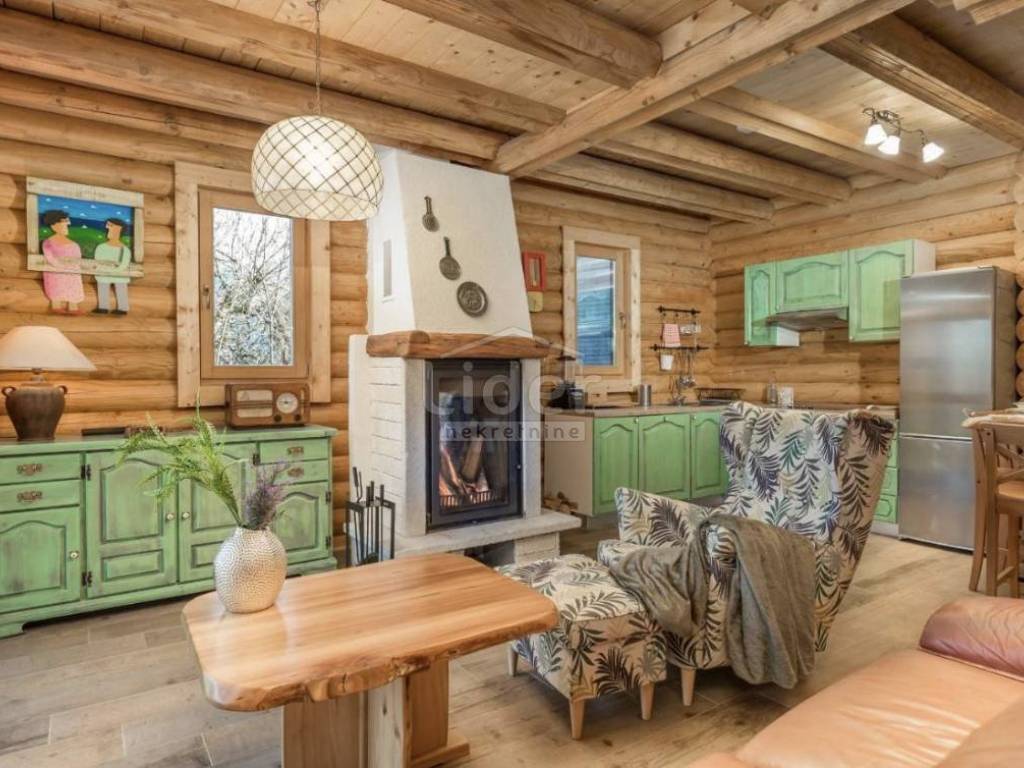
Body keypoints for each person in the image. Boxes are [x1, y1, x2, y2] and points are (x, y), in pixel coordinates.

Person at [40, 210, 84, 314]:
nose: (67, 225)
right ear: (53, 226)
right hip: (56, 272)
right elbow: (49, 257)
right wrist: (61, 266)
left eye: (67, 223)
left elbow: (78, 258)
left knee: (74, 284)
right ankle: (56, 306)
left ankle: (73, 306)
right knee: (56, 286)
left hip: (71, 272)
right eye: (64, 223)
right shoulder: (48, 242)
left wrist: (72, 267)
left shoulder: (74, 244)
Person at [93, 217, 132, 314]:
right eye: (108, 226)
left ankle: (123, 308)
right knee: (102, 285)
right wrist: (103, 271)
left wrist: (112, 271)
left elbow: (124, 264)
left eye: (111, 226)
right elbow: (98, 261)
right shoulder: (101, 247)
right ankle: (103, 306)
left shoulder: (125, 250)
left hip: (119, 275)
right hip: (104, 274)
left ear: (119, 229)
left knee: (121, 287)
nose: (108, 229)